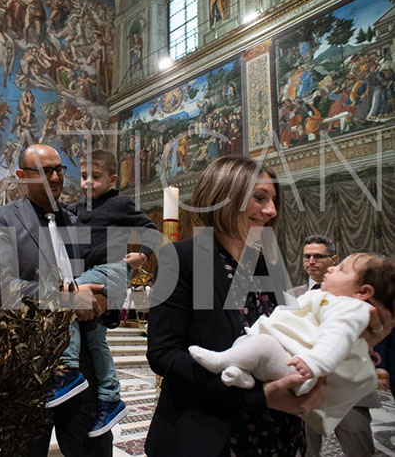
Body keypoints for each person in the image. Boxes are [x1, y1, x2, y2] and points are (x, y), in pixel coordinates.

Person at [145, 155, 392, 456]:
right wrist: (260, 396)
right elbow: (164, 355)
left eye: (274, 201)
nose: (272, 211)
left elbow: (296, 331)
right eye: (260, 198)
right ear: (224, 197)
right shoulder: (182, 258)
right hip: (212, 433)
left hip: (280, 435)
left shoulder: (265, 264)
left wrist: (358, 339)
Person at [0, 144, 112, 456]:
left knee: (94, 449)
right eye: (45, 171)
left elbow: (99, 276)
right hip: (28, 360)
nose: (55, 177)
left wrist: (104, 299)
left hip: (81, 362)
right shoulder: (2, 219)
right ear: (22, 176)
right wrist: (64, 297)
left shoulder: (77, 222)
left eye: (59, 169)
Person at [189, 252, 395, 435]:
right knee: (246, 343)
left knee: (261, 344)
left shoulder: (348, 307)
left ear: (363, 292)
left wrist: (315, 362)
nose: (332, 269)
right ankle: (242, 375)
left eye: (341, 269)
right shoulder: (326, 297)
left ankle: (220, 360)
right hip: (283, 365)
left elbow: (335, 338)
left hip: (297, 364)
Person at [49, 150, 158, 437]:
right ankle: (110, 397)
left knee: (67, 299)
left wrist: (142, 255)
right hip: (92, 274)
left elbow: (150, 229)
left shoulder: (120, 203)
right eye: (84, 176)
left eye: (95, 177)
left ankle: (69, 370)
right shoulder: (76, 207)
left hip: (111, 269)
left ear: (112, 179)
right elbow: (56, 213)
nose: (87, 182)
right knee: (96, 339)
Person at [289, 235, 380, 457]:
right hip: (307, 386)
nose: (311, 261)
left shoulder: (356, 292)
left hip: (349, 385)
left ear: (334, 259)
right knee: (306, 451)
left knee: (359, 449)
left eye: (318, 256)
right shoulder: (293, 295)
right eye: (307, 256)